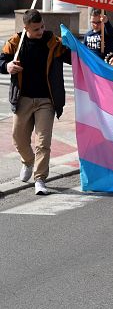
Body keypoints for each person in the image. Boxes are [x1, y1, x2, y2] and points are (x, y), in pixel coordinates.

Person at [0, 10, 71, 196]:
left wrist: (75, 46)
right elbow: (2, 61)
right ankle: (28, 161)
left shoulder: (54, 43)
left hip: (46, 101)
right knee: (18, 138)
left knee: (43, 142)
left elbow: (73, 58)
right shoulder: (15, 42)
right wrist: (7, 66)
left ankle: (40, 179)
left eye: (42, 27)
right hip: (22, 98)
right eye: (36, 29)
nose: (41, 31)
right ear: (26, 28)